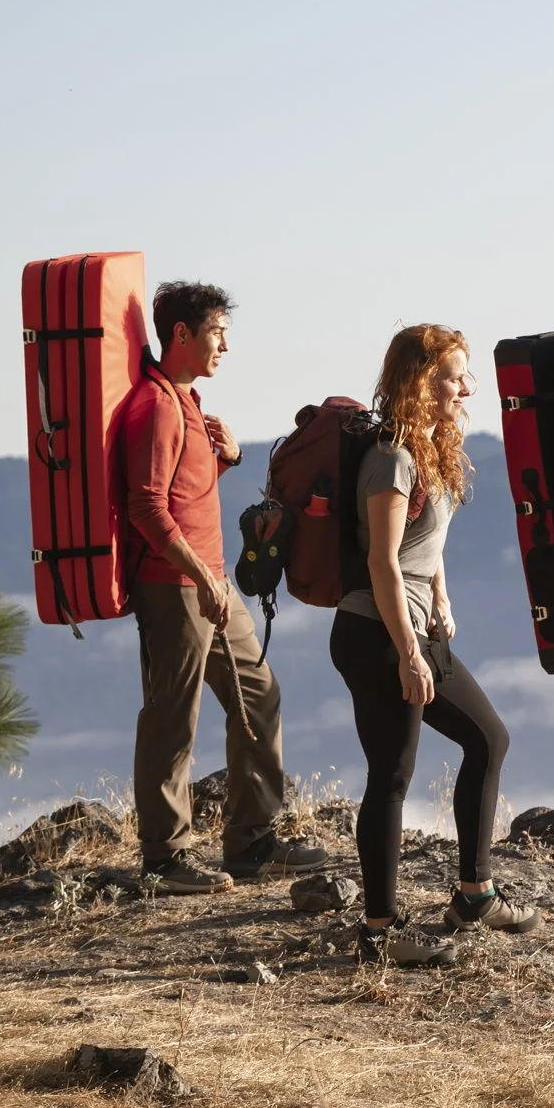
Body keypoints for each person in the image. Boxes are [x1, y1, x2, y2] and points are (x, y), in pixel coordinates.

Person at [330, 324, 537, 967]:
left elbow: (426, 544)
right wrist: (410, 655)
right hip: (378, 634)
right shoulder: (392, 458)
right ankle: (380, 930)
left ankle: (474, 893)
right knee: (391, 776)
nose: (466, 387)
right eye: (453, 376)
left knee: (488, 737)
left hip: (417, 627)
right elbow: (383, 564)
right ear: (421, 381)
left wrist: (442, 596)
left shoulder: (430, 448)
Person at [116, 280, 328, 893]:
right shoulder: (156, 406)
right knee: (172, 719)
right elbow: (147, 507)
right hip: (175, 584)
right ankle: (164, 859)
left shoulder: (186, 401)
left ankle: (252, 845)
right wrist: (195, 575)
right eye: (216, 332)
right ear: (181, 334)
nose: (225, 346)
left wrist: (226, 458)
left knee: (259, 693)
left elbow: (182, 489)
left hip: (207, 581)